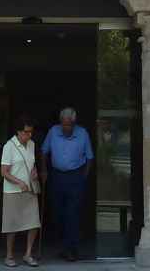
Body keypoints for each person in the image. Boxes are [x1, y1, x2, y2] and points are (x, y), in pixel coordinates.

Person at [39, 106, 94, 261]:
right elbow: (44, 151)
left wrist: (84, 177)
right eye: (63, 124)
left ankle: (71, 249)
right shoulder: (53, 131)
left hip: (76, 177)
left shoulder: (82, 133)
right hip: (57, 177)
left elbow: (90, 157)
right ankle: (65, 245)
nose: (66, 128)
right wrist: (44, 170)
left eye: (69, 125)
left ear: (74, 123)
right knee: (58, 213)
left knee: (73, 213)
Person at [1, 114, 42, 268]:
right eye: (26, 132)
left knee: (33, 223)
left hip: (30, 190)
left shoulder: (31, 144)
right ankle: (9, 255)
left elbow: (31, 163)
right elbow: (4, 172)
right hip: (13, 191)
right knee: (12, 225)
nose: (28, 135)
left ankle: (28, 254)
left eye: (31, 132)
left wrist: (35, 172)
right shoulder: (9, 147)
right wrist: (19, 182)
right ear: (18, 131)